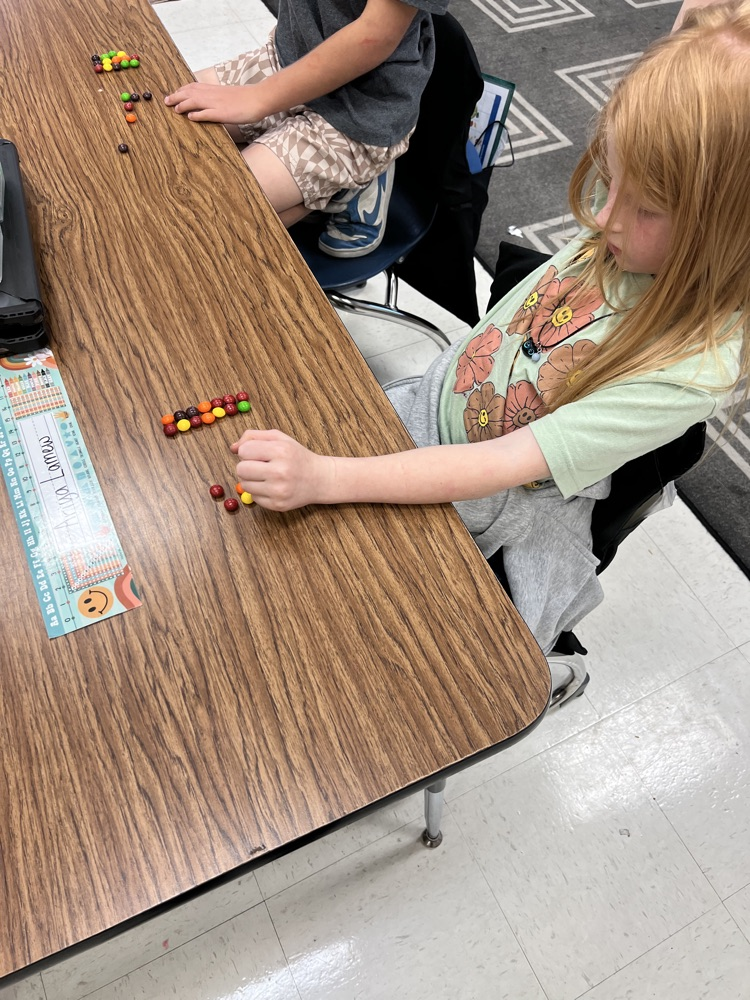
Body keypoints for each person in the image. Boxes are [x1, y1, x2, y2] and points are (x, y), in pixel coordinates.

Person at [231, 0, 749, 695]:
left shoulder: (684, 374)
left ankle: (550, 665)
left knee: (379, 658)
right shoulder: (644, 230)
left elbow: (498, 466)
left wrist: (326, 478)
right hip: (431, 409)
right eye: (611, 174)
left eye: (645, 203)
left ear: (728, 229)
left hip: (488, 510)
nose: (600, 214)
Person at [165, 0, 450, 256]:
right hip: (289, 57)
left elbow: (376, 34)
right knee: (159, 126)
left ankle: (347, 186)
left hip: (360, 110)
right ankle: (329, 185)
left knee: (202, 217)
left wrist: (259, 97)